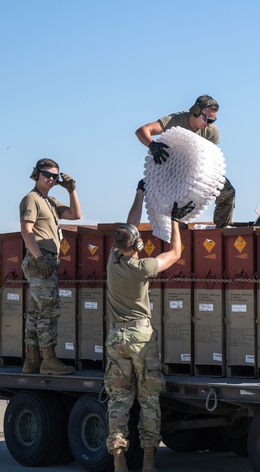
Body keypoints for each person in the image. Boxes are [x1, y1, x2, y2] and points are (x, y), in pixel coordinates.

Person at [105, 196, 193, 472]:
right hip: (141, 338)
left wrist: (138, 195)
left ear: (117, 245)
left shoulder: (112, 260)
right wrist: (175, 222)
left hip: (116, 339)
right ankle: (149, 462)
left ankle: (119, 460)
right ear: (138, 245)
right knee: (149, 399)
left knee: (119, 401)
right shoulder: (143, 268)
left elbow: (128, 225)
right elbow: (176, 253)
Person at [18, 158, 81, 375]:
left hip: (47, 259)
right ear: (36, 174)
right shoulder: (31, 199)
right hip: (41, 259)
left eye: (55, 176)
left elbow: (76, 215)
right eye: (47, 174)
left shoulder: (50, 201)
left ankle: (32, 360)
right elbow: (26, 230)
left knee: (37, 312)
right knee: (49, 311)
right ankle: (49, 361)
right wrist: (38, 258)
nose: (51, 179)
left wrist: (72, 190)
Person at [135, 94, 235, 227]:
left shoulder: (211, 132)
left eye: (213, 120)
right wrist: (152, 145)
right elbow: (142, 131)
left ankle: (222, 229)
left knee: (228, 192)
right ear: (195, 111)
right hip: (170, 171)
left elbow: (212, 159)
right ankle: (178, 234)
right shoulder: (176, 121)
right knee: (164, 197)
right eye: (207, 119)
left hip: (196, 172)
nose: (209, 124)